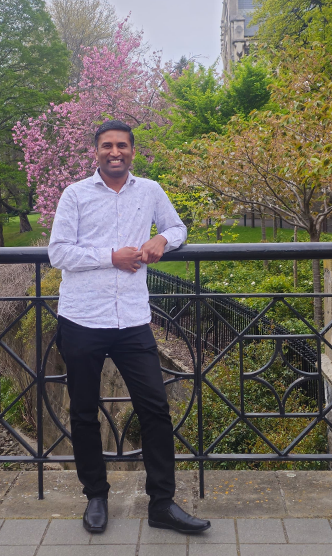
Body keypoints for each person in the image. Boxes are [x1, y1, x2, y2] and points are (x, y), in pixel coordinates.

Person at [48, 119, 211, 535]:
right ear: (96, 151)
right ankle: (96, 497)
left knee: (155, 409)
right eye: (107, 146)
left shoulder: (151, 191)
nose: (114, 152)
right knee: (84, 412)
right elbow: (58, 252)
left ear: (132, 151)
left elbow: (177, 227)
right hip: (83, 318)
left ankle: (162, 504)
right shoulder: (76, 194)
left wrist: (164, 241)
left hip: (134, 320)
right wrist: (111, 257)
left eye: (122, 145)